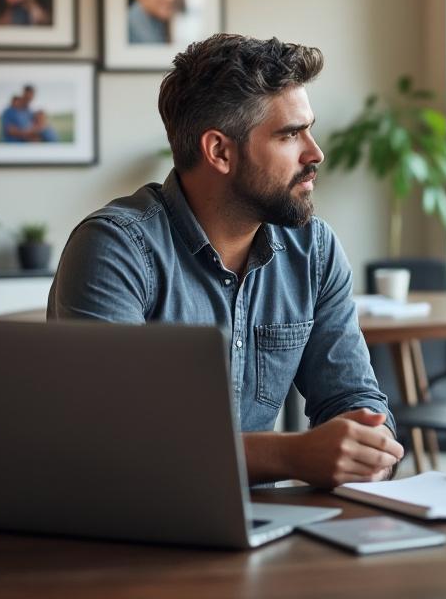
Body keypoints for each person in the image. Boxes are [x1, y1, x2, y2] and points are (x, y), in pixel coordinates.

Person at [48, 34, 404, 488]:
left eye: (308, 129)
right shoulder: (115, 248)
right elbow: (113, 440)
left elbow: (354, 399)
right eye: (290, 134)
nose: (315, 154)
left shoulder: (313, 250)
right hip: (126, 535)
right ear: (219, 151)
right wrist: (292, 455)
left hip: (261, 531)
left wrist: (369, 445)